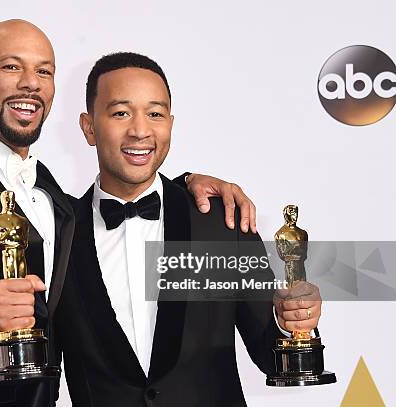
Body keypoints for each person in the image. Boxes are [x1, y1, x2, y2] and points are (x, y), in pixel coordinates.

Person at [0, 20, 261, 406]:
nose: (30, 82)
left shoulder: (53, 198)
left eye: (44, 71)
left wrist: (185, 183)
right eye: (11, 66)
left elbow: (134, 185)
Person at [55, 52, 322, 406]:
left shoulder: (222, 223)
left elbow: (271, 353)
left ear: (171, 123)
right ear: (89, 127)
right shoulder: (57, 234)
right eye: (121, 113)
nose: (140, 130)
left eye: (155, 113)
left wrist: (295, 324)